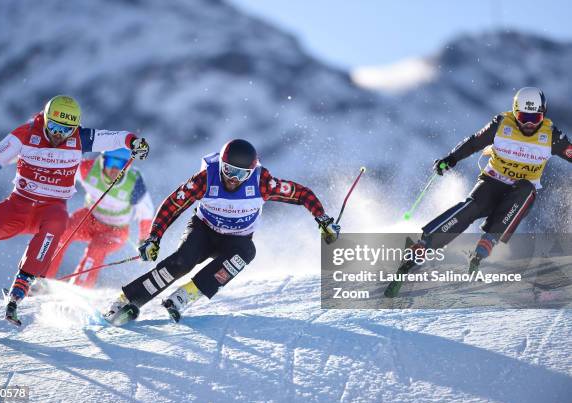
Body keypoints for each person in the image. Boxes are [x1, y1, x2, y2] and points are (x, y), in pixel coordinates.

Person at [104, 139, 340, 325]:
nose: (232, 179)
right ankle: (126, 300)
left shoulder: (262, 183)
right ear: (221, 165)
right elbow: (174, 204)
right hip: (204, 231)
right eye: (228, 170)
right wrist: (154, 236)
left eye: (241, 174)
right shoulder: (207, 178)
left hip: (236, 240)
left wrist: (323, 219)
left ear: (251, 171)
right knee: (182, 262)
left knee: (247, 252)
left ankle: (186, 295)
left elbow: (302, 194)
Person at [0, 95, 150, 324]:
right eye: (54, 127)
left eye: (67, 130)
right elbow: (0, 154)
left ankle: (27, 285)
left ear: (76, 127)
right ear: (45, 119)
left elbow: (115, 139)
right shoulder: (29, 134)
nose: (59, 134)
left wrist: (134, 142)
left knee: (62, 228)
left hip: (69, 213)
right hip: (23, 203)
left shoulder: (82, 140)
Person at [385, 87, 572, 298]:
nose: (529, 125)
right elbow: (474, 142)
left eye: (535, 118)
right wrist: (451, 158)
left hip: (519, 192)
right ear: (515, 112)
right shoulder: (502, 125)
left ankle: (488, 241)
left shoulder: (552, 136)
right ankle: (424, 245)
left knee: (528, 190)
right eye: (523, 117)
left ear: (543, 114)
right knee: (471, 206)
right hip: (493, 182)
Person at [44, 149, 154, 288]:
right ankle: (41, 277)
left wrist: (144, 240)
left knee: (97, 248)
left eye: (121, 164)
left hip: (116, 230)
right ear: (102, 161)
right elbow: (63, 166)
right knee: (61, 232)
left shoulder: (133, 182)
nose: (115, 169)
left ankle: (81, 287)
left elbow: (147, 213)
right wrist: (37, 160)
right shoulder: (89, 169)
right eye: (111, 162)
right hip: (89, 219)